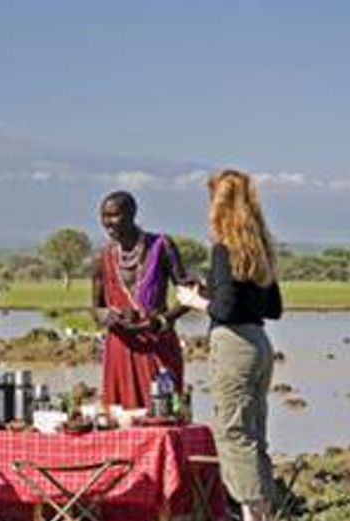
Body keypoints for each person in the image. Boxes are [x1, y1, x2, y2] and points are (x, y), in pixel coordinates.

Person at [177, 170, 283, 521]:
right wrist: (216, 289)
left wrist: (194, 300)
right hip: (260, 343)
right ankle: (264, 511)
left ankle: (252, 514)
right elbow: (272, 308)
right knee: (255, 433)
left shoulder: (224, 249)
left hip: (233, 345)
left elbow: (224, 310)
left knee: (233, 433)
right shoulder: (260, 249)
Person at [93, 190, 189, 409]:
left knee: (163, 413)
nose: (108, 223)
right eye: (104, 217)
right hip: (120, 348)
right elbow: (96, 307)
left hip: (157, 343)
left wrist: (161, 321)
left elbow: (188, 296)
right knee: (120, 418)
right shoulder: (103, 257)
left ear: (132, 214)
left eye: (114, 215)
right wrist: (106, 316)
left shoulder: (161, 246)